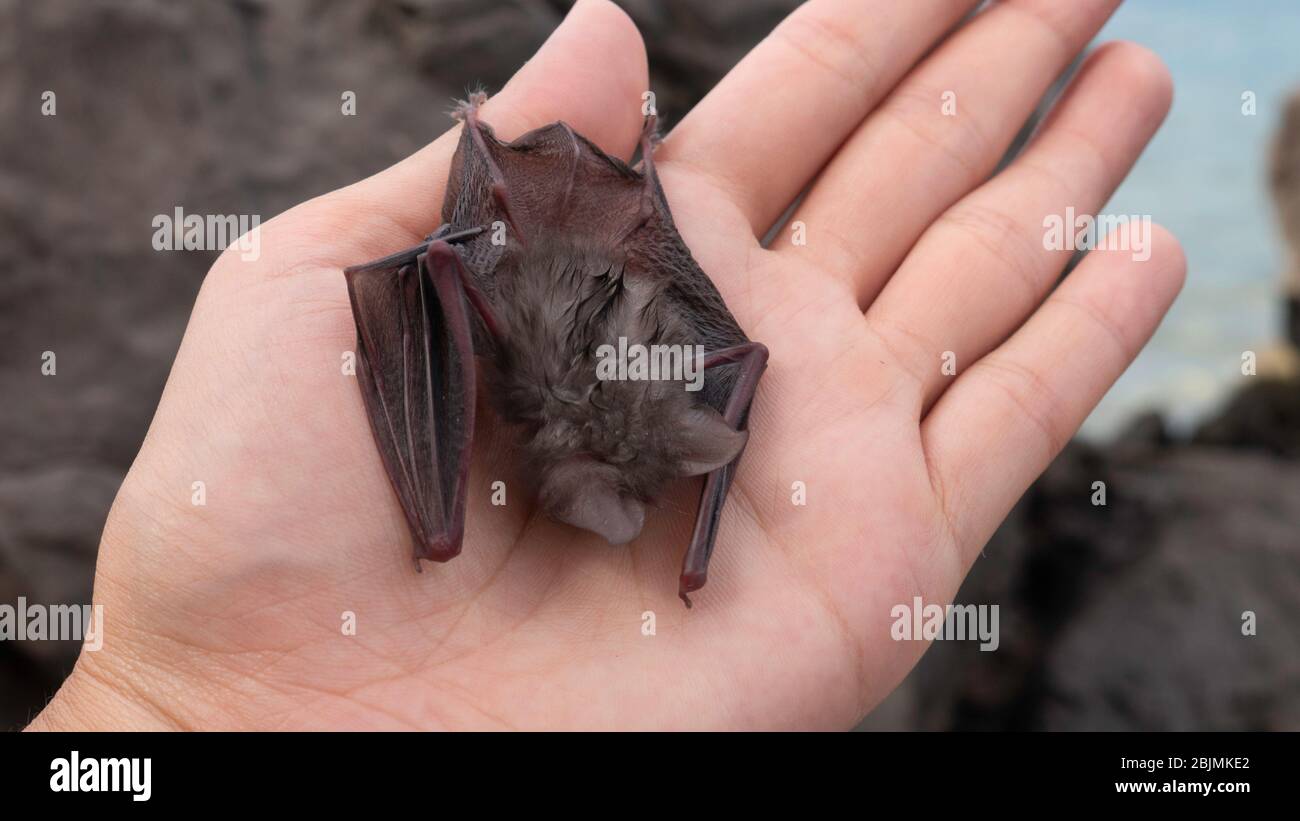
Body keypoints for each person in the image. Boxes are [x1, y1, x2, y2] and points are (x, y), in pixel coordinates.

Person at [29, 0, 1184, 730]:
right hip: (557, 265)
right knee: (459, 272)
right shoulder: (653, 378)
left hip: (566, 266)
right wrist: (171, 703)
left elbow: (729, 367)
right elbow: (716, 371)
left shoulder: (683, 379)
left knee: (473, 273)